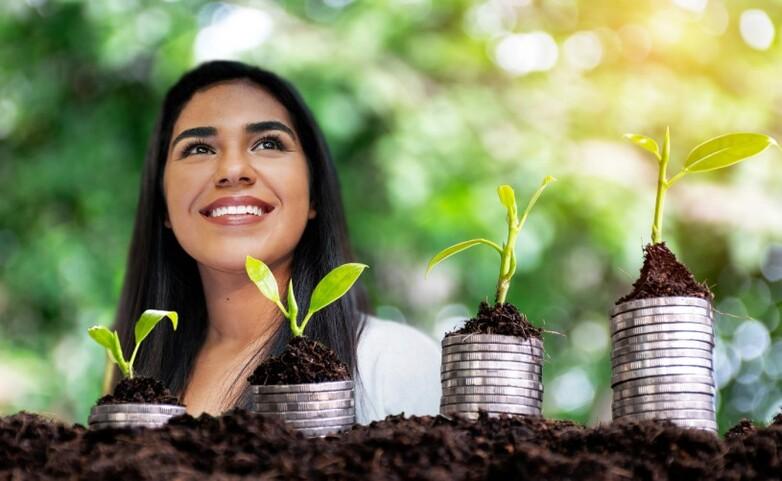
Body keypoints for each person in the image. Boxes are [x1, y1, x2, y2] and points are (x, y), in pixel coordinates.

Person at [105, 60, 441, 423]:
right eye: (199, 149)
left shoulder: (394, 363)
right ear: (164, 206)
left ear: (314, 195)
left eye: (268, 143)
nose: (232, 170)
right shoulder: (133, 378)